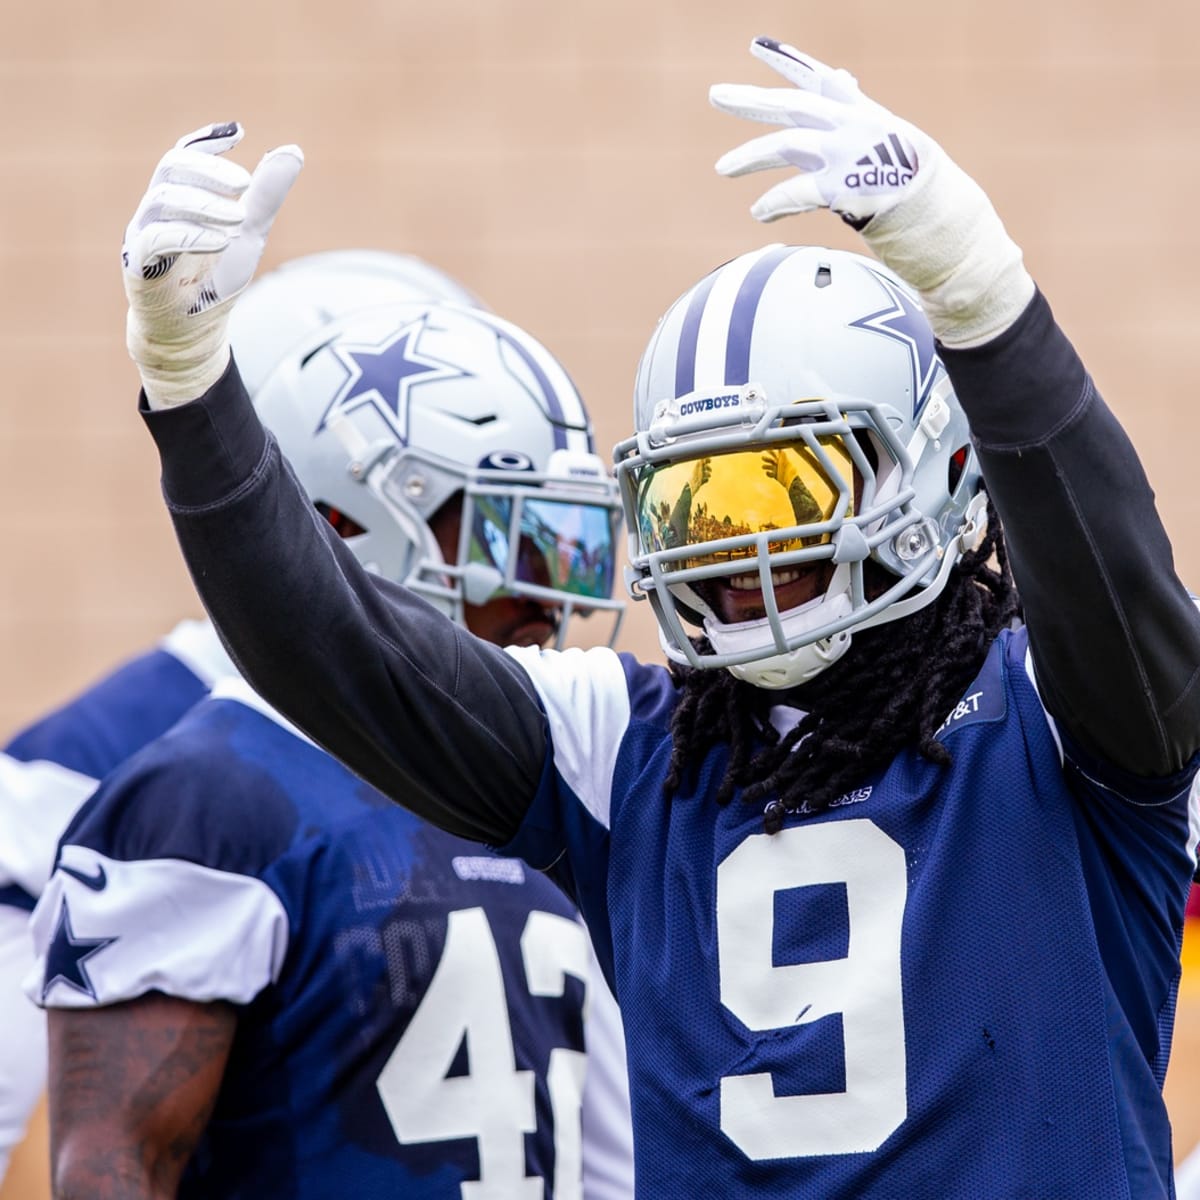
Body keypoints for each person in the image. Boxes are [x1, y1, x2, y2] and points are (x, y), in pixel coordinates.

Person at [118, 37, 1200, 1198]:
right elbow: (336, 652)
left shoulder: (1059, 715)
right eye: (690, 500)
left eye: (777, 488)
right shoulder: (632, 750)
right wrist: (189, 386)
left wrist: (981, 293)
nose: (730, 545)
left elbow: (1115, 577)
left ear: (927, 478)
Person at [21, 258, 633, 1197]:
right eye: (515, 538)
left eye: (572, 543)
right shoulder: (209, 800)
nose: (549, 592)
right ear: (339, 525)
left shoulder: (563, 783)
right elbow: (111, 1168)